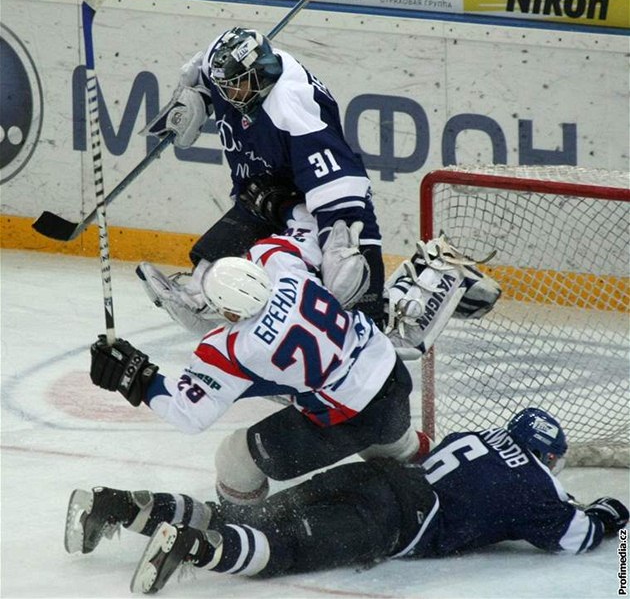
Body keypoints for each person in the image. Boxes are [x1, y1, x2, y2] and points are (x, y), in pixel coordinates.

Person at [90, 205, 450, 507]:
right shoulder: (282, 266)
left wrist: (137, 376)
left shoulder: (231, 349)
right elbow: (306, 221)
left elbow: (189, 414)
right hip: (390, 376)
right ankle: (449, 478)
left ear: (227, 313)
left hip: (349, 417)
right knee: (395, 445)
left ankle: (244, 529)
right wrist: (275, 206)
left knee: (234, 461)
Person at [64, 407, 629, 595]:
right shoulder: (538, 485)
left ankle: (114, 505)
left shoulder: (475, 438)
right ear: (549, 456)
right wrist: (612, 512)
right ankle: (190, 547)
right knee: (279, 548)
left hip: (370, 478)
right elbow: (574, 538)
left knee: (250, 515)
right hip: (392, 519)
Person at [136, 25, 385, 332]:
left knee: (346, 291)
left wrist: (337, 248)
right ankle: (201, 292)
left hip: (306, 201)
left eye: (235, 86)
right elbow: (204, 69)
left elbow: (342, 188)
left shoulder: (294, 106)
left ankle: (374, 320)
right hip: (269, 187)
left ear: (262, 74)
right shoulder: (236, 72)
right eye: (223, 87)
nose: (228, 94)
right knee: (248, 210)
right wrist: (198, 94)